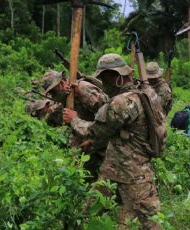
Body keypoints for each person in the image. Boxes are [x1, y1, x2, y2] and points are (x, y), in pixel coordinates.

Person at [62, 54, 161, 229]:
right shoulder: (145, 93)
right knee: (88, 217)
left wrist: (74, 120)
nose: (103, 83)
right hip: (114, 171)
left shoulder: (122, 102)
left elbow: (96, 131)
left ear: (116, 77)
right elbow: (108, 109)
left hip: (132, 176)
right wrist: (81, 93)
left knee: (150, 225)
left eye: (105, 78)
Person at [39, 70, 109, 181]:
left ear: (62, 83)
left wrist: (81, 94)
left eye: (54, 92)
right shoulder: (64, 99)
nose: (53, 96)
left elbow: (106, 110)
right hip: (85, 147)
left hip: (102, 144)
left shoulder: (83, 87)